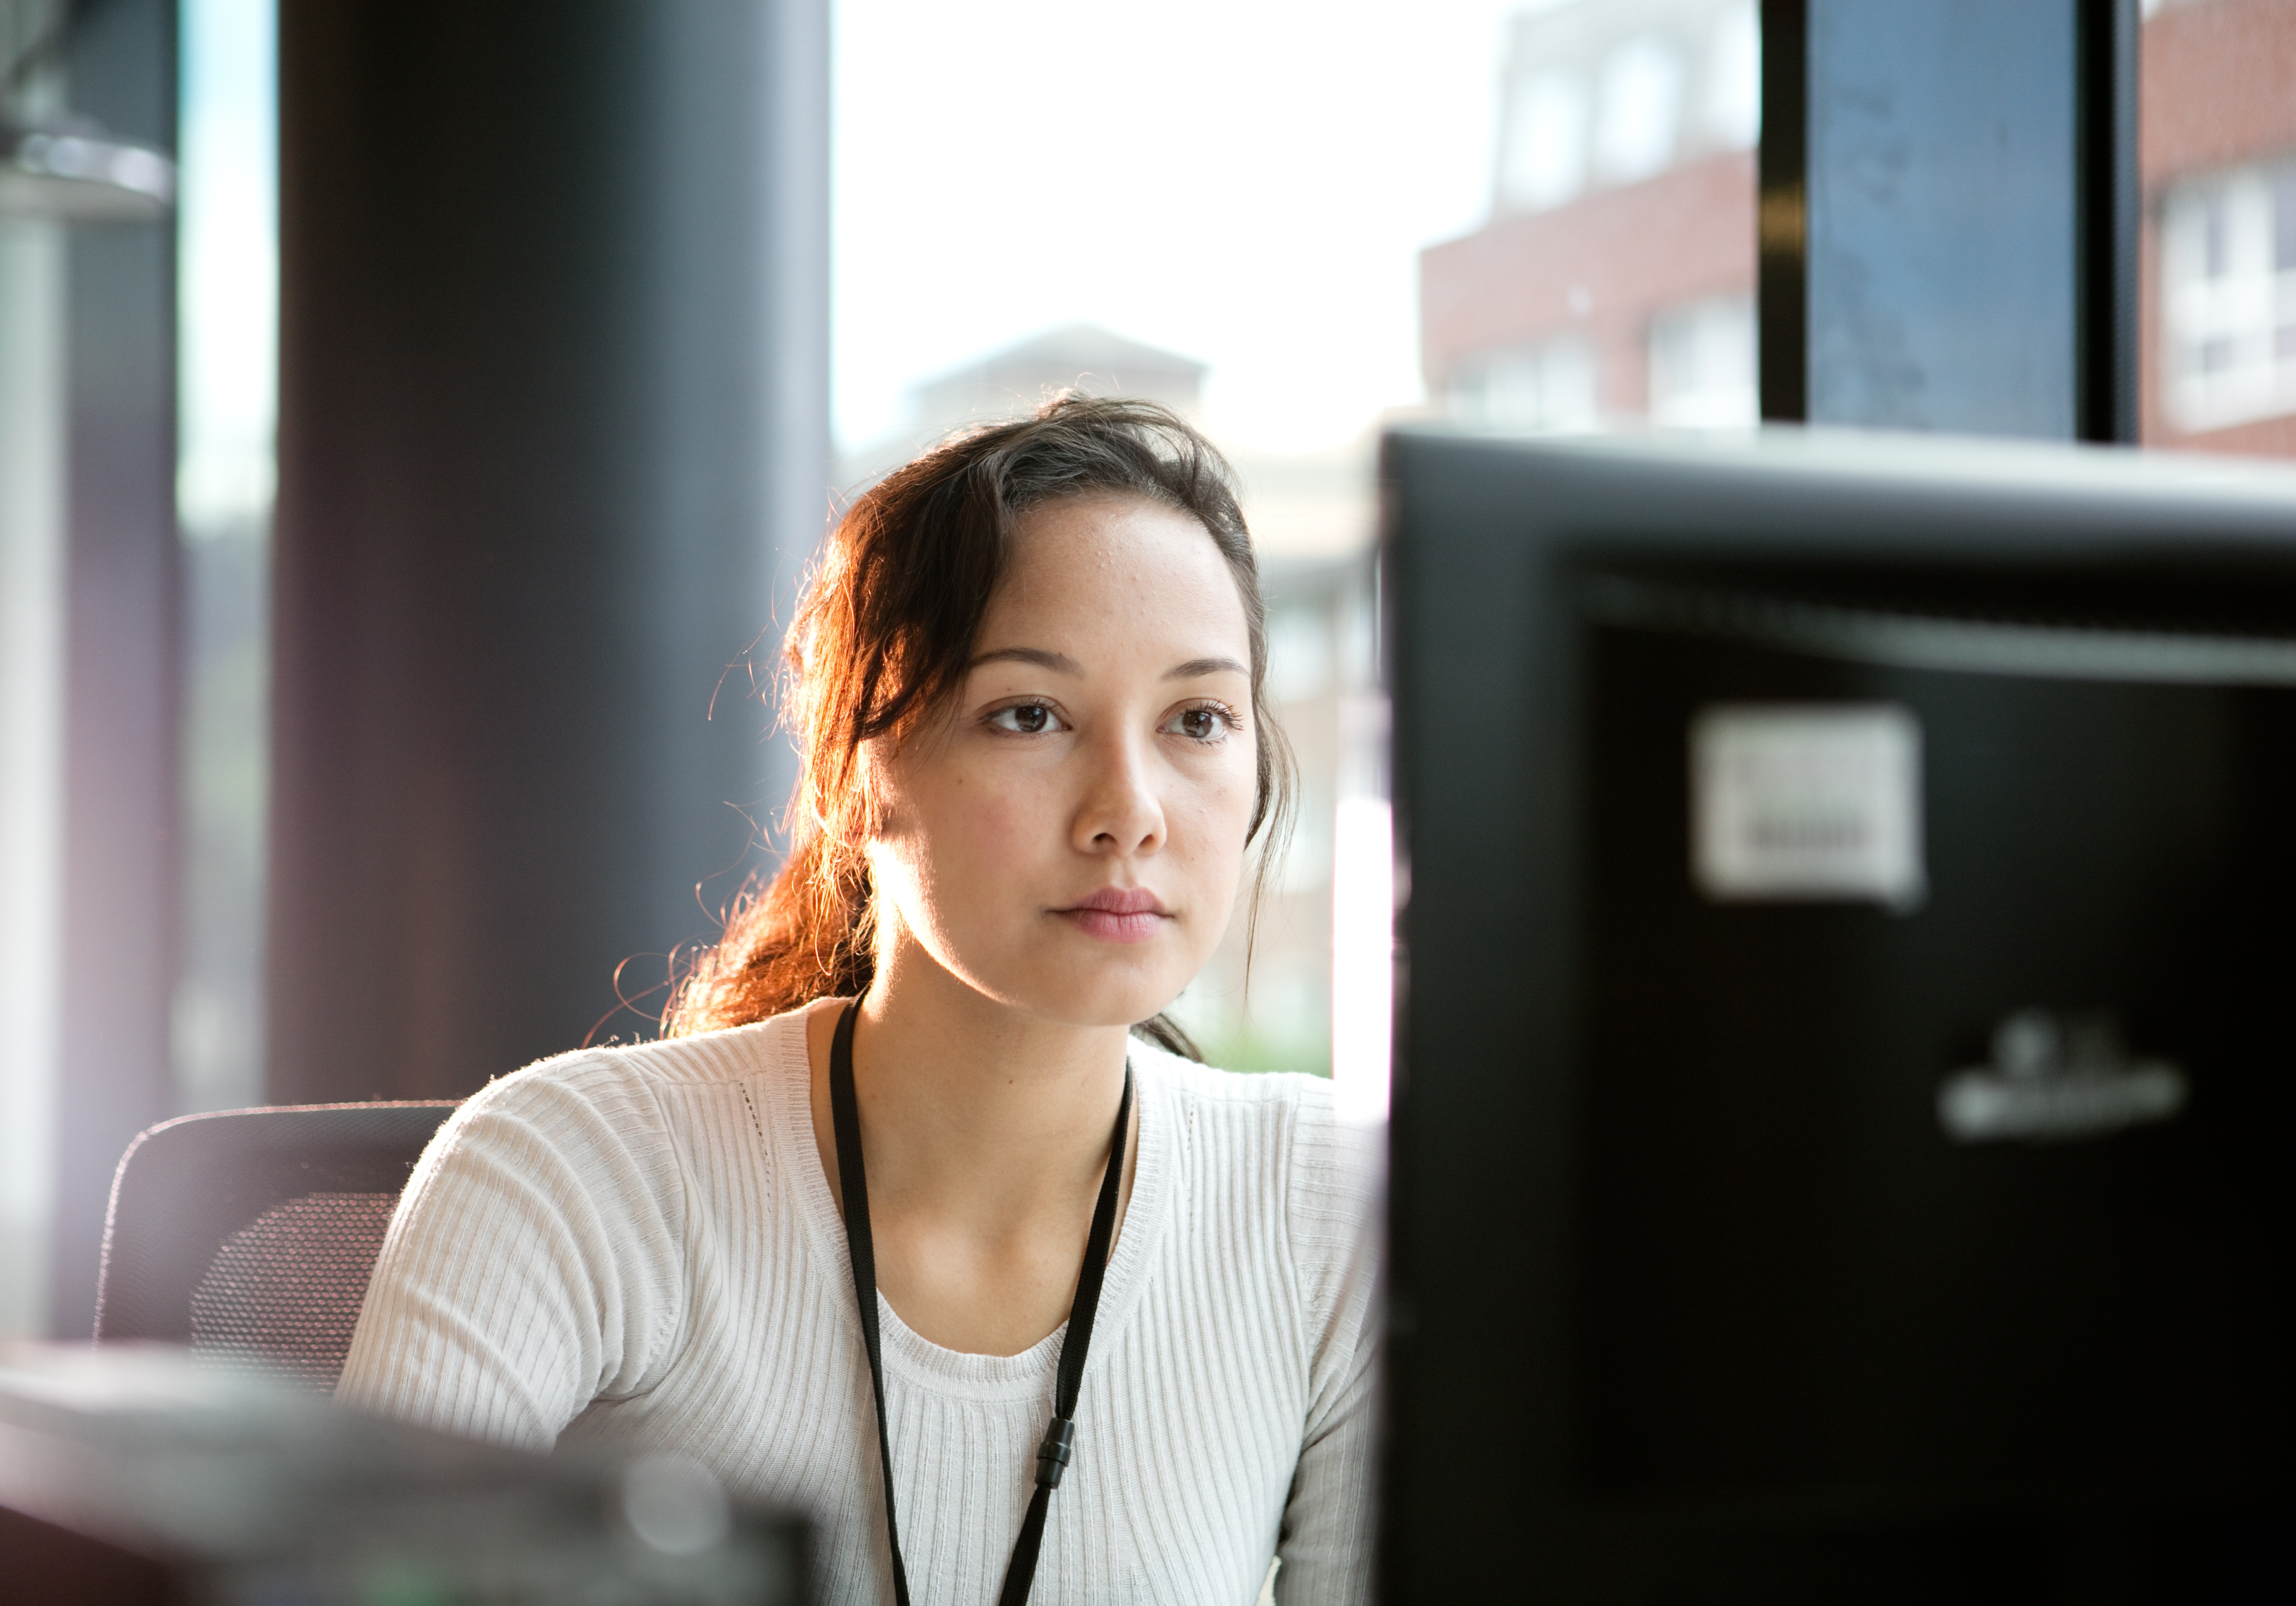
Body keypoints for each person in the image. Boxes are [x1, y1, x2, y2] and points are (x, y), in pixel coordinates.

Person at [336, 394, 1380, 1606]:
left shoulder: (1333, 1212)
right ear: (861, 776)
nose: (1131, 810)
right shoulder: (569, 1176)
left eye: (1199, 719)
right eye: (1029, 715)